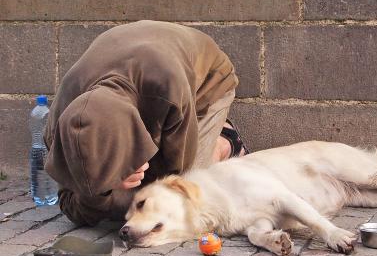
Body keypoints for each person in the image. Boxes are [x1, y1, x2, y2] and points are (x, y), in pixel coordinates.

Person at [44, 20, 248, 226]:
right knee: (124, 202)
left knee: (181, 194)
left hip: (205, 85)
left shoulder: (168, 87)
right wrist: (102, 190)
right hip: (141, 70)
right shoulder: (58, 127)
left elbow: (173, 175)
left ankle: (225, 141)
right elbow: (71, 206)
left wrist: (125, 176)